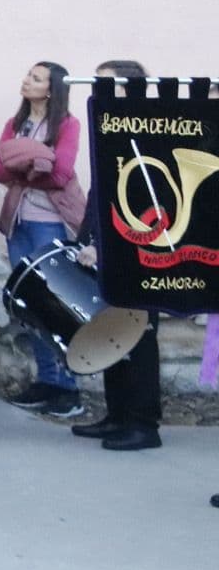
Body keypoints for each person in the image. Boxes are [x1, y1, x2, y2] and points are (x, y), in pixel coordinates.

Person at [73, 59, 164, 452]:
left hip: (140, 258)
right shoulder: (108, 129)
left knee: (139, 341)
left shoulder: (146, 132)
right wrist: (86, 238)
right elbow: (100, 195)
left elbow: (150, 205)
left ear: (131, 90)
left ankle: (144, 424)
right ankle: (117, 414)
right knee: (111, 334)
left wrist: (110, 247)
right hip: (106, 253)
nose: (98, 91)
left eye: (107, 85)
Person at [0, 61, 86, 419]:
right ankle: (46, 380)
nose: (26, 80)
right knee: (29, 306)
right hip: (18, 224)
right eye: (28, 74)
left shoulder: (67, 125)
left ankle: (69, 388)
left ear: (52, 88)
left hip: (49, 224)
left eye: (36, 77)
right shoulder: (15, 124)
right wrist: (35, 159)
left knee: (55, 305)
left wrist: (21, 161)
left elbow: (60, 173)